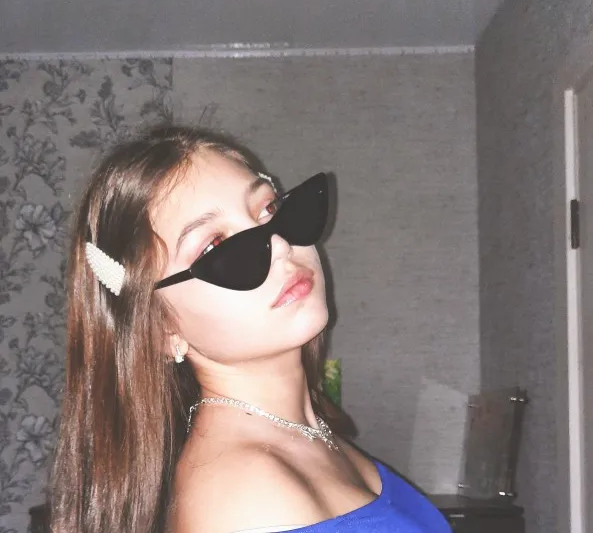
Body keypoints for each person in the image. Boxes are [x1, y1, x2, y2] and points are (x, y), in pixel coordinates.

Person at [50, 126, 451, 533]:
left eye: (268, 209)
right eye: (215, 245)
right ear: (161, 329)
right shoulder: (244, 497)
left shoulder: (307, 441)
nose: (280, 245)